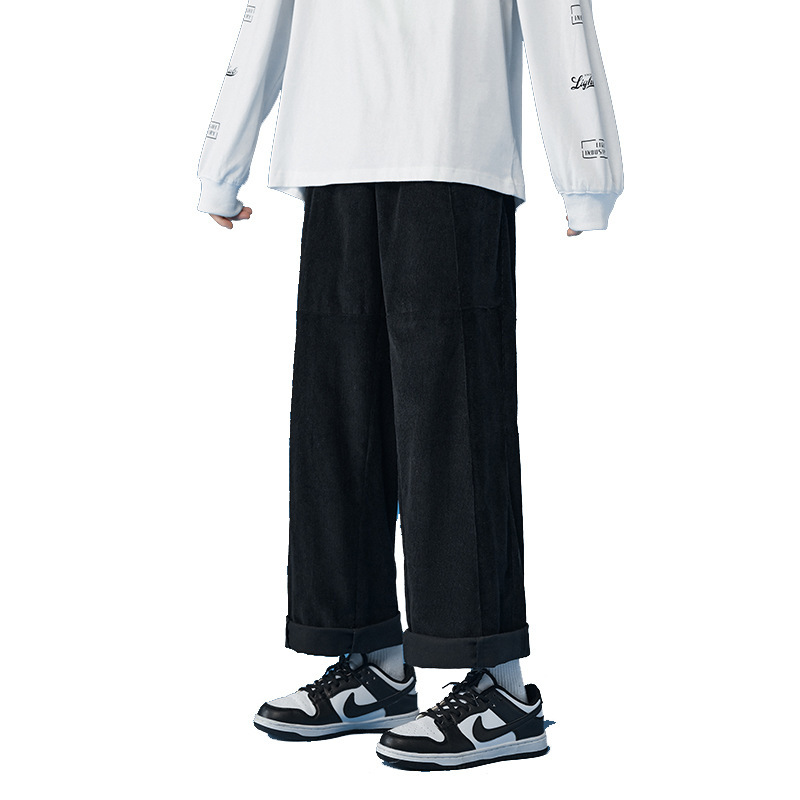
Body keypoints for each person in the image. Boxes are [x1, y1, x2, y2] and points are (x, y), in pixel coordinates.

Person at [196, 0, 623, 771]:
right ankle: (371, 661)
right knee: (336, 421)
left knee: (451, 421)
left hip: (449, 141)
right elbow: (269, 10)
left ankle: (499, 688)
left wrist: (586, 175)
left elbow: (560, 12)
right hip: (330, 147)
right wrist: (219, 160)